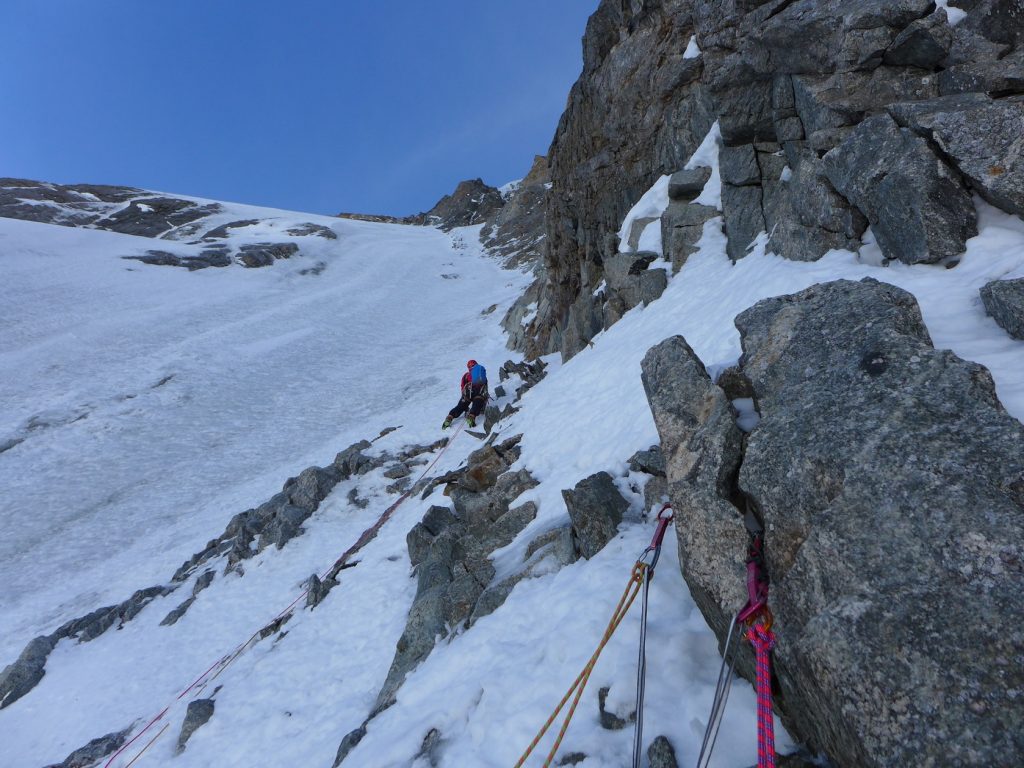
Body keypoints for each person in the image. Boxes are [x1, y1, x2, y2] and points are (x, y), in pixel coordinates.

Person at [442, 359, 488, 429]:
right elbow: (485, 386)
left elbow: (462, 387)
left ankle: (449, 417)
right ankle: (471, 417)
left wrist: (464, 400)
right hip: (479, 393)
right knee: (477, 404)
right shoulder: (481, 374)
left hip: (467, 393)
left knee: (460, 407)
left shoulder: (466, 375)